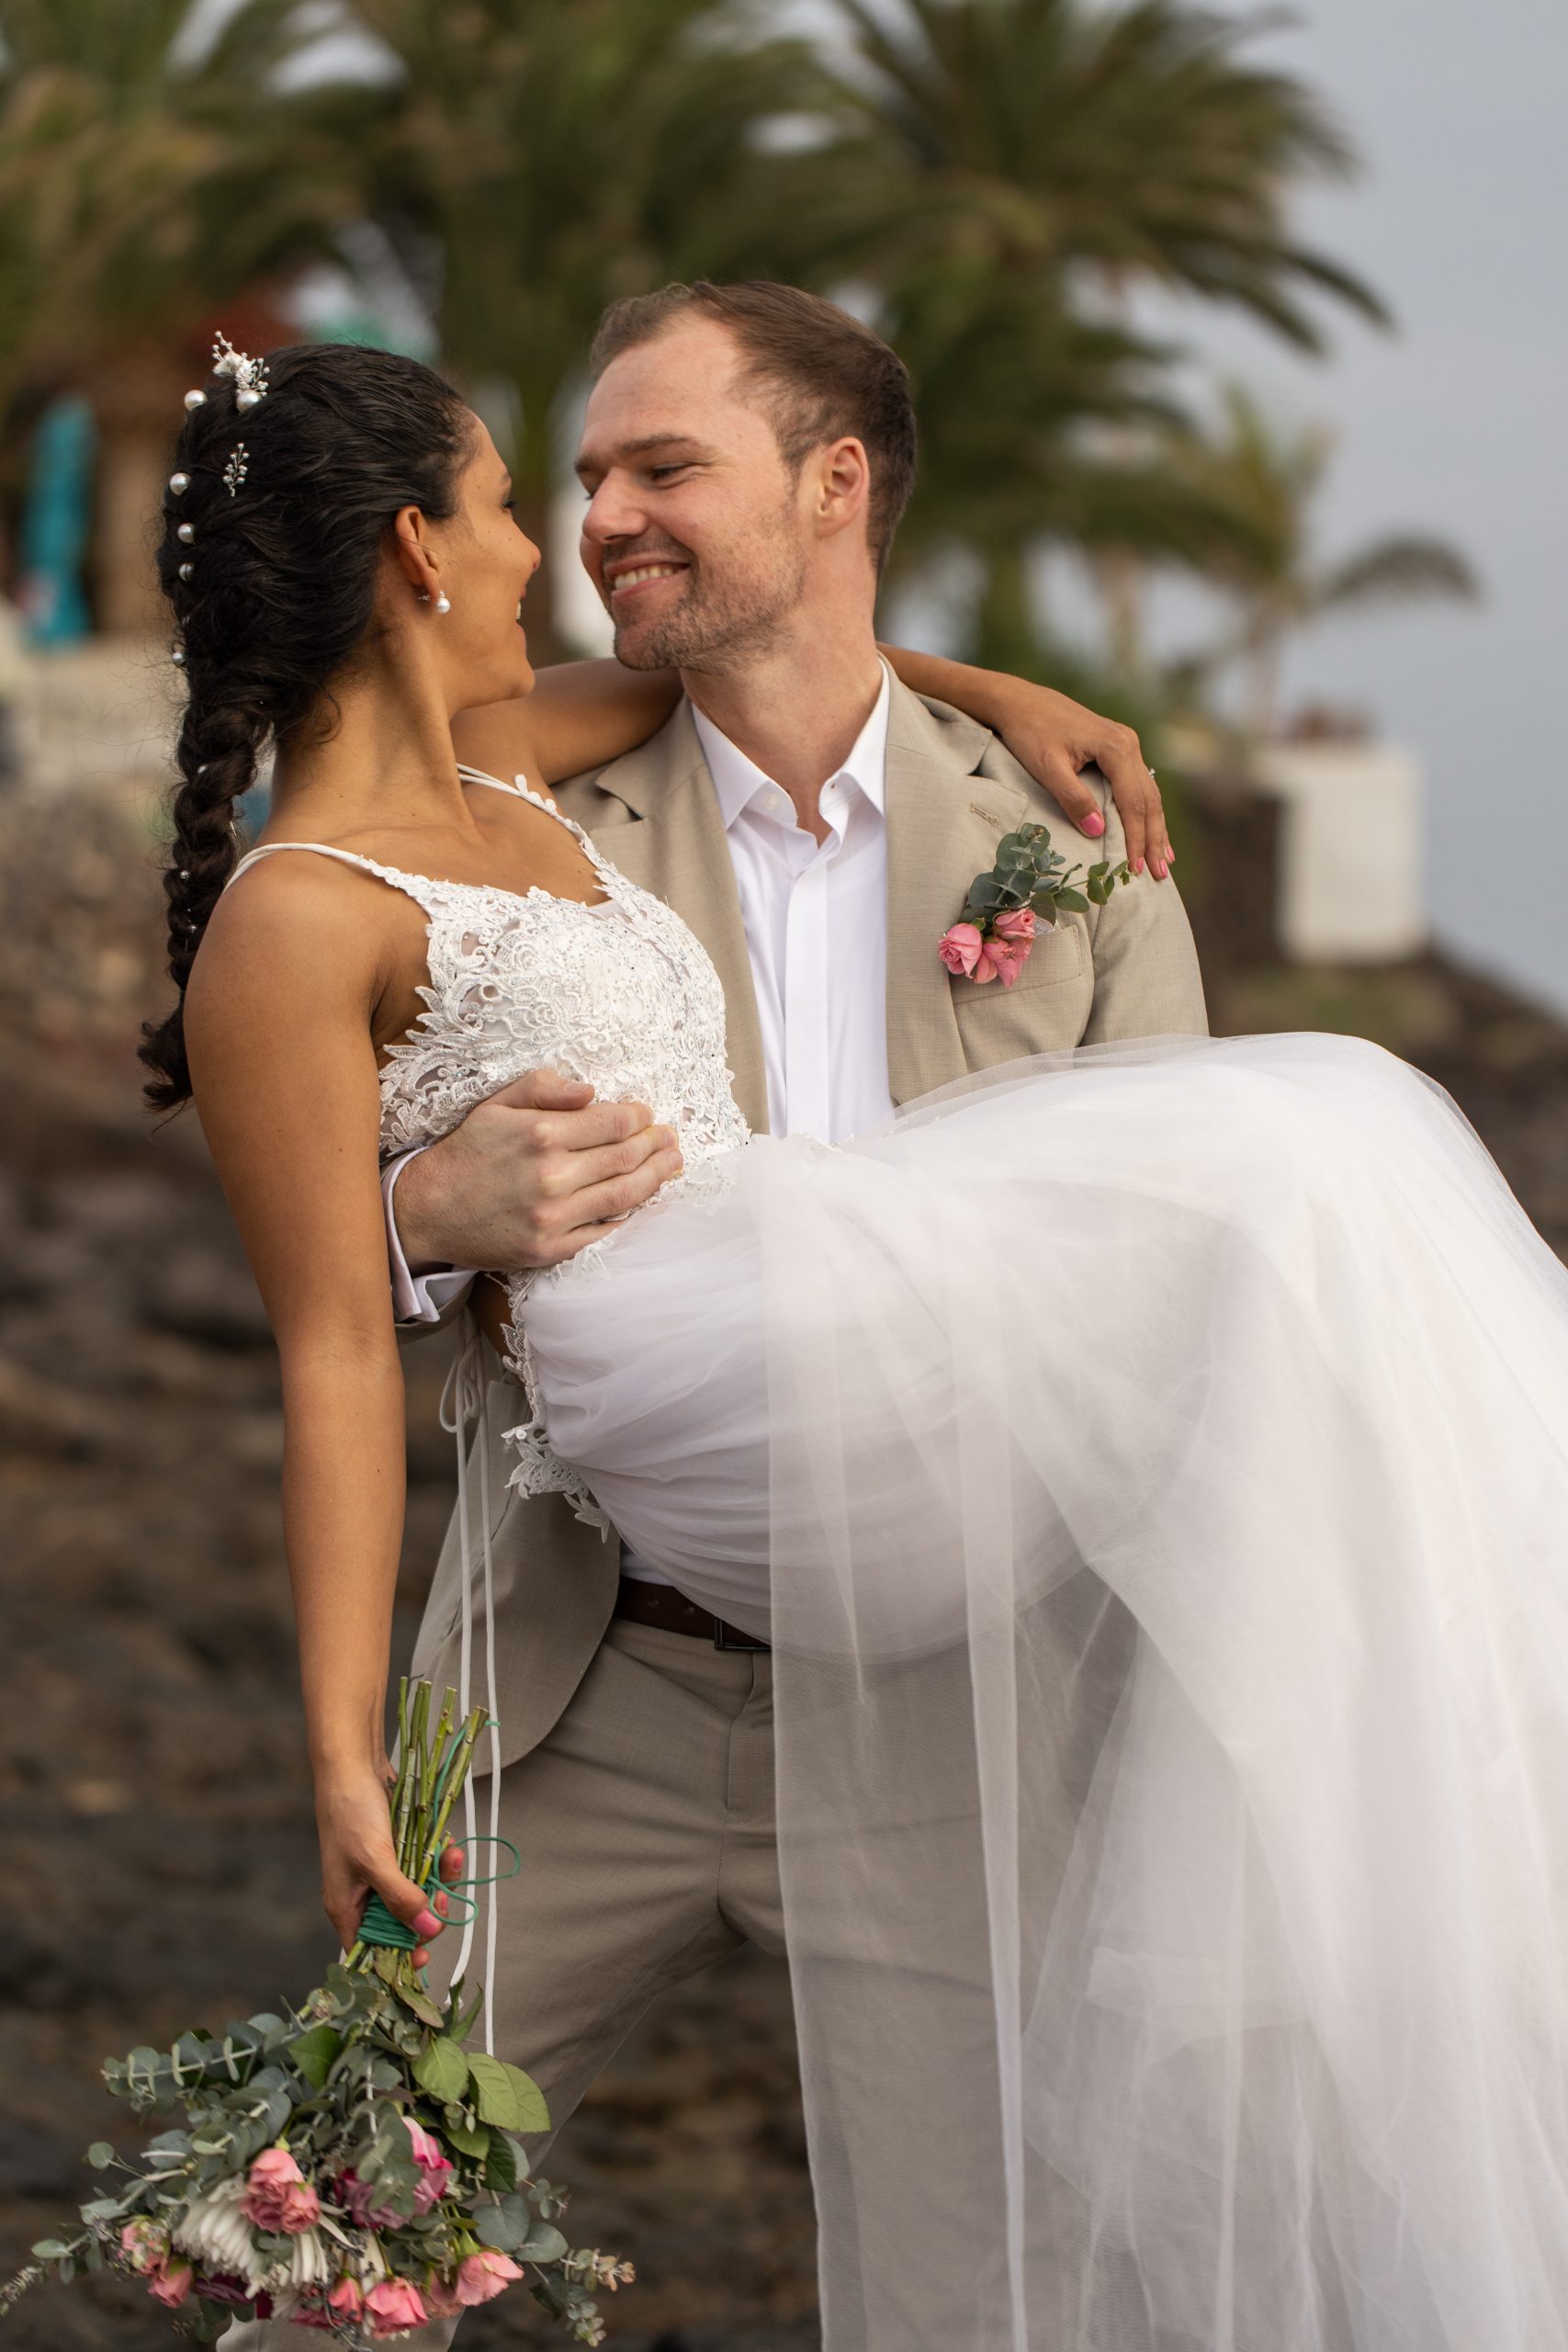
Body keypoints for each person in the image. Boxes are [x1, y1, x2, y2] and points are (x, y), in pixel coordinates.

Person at [162, 311, 1568, 2351]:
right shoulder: (510, 788)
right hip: (592, 1675)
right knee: (331, 2237)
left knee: (962, 2302)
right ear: (415, 548)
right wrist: (411, 1226)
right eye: (543, 492)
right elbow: (325, 1314)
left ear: (833, 490)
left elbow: (1128, 1304)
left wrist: (976, 681)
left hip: (939, 1704)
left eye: (656, 472)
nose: (584, 528)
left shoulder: (1058, 828)